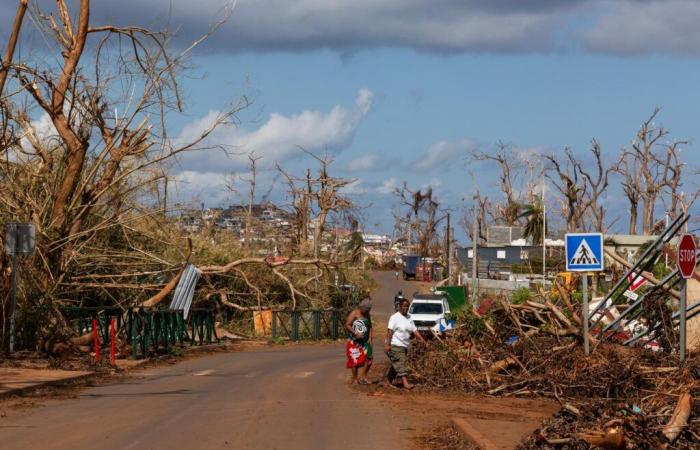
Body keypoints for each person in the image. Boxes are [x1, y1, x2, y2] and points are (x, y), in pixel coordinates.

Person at [384, 298, 426, 389]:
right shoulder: (395, 317)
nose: (406, 308)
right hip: (395, 344)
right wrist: (387, 344)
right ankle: (405, 383)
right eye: (404, 306)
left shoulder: (409, 317)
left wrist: (422, 340)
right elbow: (390, 332)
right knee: (401, 363)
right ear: (400, 306)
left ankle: (388, 381)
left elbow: (414, 330)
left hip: (404, 345)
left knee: (397, 364)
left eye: (407, 306)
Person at [345, 298, 373, 385]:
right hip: (355, 341)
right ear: (361, 307)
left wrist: (370, 337)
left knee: (369, 359)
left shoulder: (367, 314)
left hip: (365, 342)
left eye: (368, 310)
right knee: (355, 360)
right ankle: (355, 379)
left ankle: (363, 377)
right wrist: (355, 333)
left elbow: (370, 326)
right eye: (365, 309)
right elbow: (347, 324)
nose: (366, 311)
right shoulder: (354, 313)